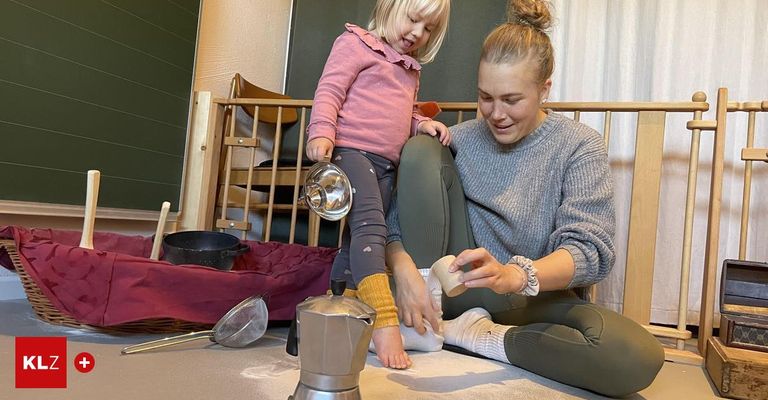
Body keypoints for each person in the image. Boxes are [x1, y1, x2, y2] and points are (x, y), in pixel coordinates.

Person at [385, 0, 665, 396]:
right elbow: (395, 224)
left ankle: (475, 336)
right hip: (454, 290)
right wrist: (406, 272)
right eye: (485, 97)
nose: (496, 114)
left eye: (511, 100)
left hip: (528, 298)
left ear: (544, 89)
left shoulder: (578, 145)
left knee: (635, 357)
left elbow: (590, 251)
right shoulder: (460, 140)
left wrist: (515, 275)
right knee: (420, 148)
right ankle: (434, 317)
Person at [305, 0, 452, 369]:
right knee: (372, 230)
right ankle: (383, 322)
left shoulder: (409, 69)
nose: (418, 33)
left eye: (429, 28)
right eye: (413, 19)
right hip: (351, 153)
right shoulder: (355, 44)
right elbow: (330, 91)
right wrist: (321, 131)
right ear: (389, 7)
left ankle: (339, 313)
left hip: (387, 164)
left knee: (356, 243)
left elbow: (403, 112)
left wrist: (421, 125)